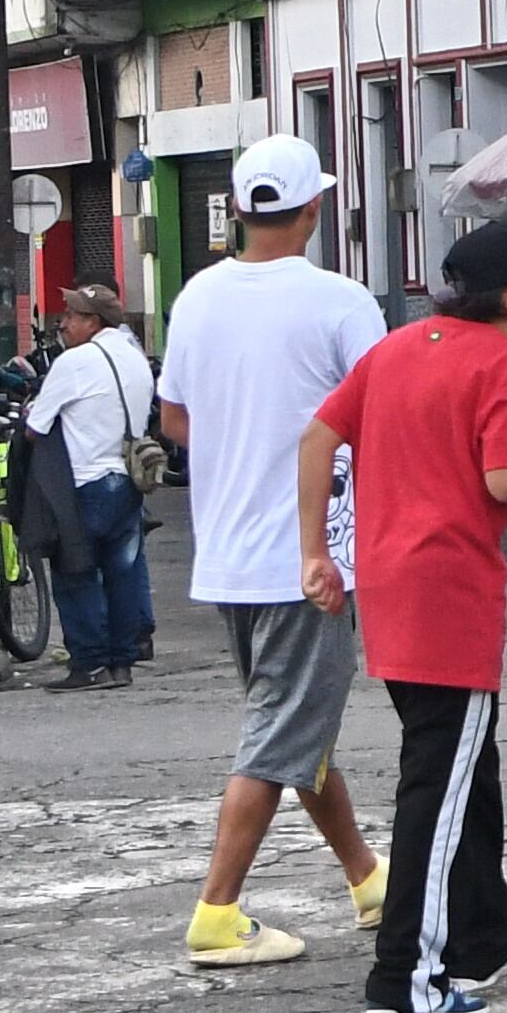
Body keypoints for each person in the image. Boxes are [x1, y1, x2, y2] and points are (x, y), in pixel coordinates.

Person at [306, 218, 507, 1013]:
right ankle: (405, 977)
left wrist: (315, 549)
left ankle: (482, 935)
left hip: (384, 582)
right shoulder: (506, 364)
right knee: (437, 785)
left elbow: (319, 435)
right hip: (449, 593)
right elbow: (505, 479)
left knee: (463, 766)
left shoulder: (395, 347)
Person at [156, 136, 390, 970]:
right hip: (313, 551)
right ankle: (217, 911)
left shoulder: (196, 296)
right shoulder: (341, 301)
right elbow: (380, 418)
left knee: (293, 722)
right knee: (280, 729)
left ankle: (367, 877)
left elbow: (175, 420)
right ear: (315, 209)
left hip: (228, 548)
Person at [26, 285, 161, 692]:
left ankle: (89, 664)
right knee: (121, 574)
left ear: (93, 322)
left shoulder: (76, 362)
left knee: (75, 573)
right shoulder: (134, 358)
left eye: (71, 314)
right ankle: (121, 664)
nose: (63, 322)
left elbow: (35, 429)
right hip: (128, 481)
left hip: (86, 484)